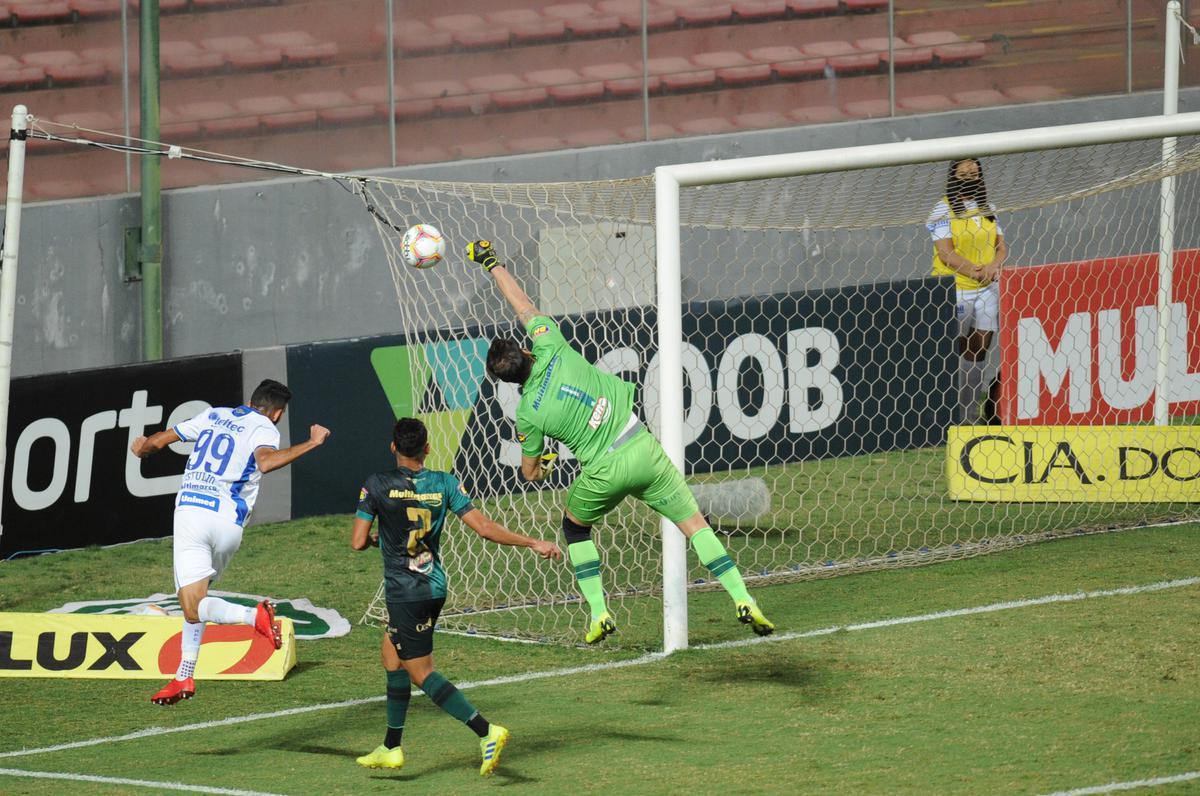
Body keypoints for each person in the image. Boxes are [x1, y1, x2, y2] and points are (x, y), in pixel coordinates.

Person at [466, 239, 775, 645]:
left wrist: (542, 460)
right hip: (642, 447)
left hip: (604, 471)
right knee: (695, 524)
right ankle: (743, 597)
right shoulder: (550, 343)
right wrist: (491, 263)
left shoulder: (527, 414)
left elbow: (529, 472)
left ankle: (599, 612)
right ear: (526, 349)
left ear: (509, 382)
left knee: (574, 528)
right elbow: (524, 306)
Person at [351, 417, 562, 777]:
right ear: (427, 449)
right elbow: (485, 528)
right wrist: (532, 541)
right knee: (391, 656)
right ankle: (391, 745)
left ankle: (486, 731)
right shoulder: (445, 483)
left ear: (393, 448)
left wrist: (380, 538)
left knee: (422, 673)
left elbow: (358, 542)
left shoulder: (376, 485)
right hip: (432, 585)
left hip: (406, 593)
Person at [131, 379, 330, 706]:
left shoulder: (212, 415)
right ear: (278, 412)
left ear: (252, 400)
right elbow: (265, 460)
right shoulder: (266, 427)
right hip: (230, 526)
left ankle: (255, 618)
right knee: (197, 601)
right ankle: (184, 673)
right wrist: (312, 442)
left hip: (193, 514)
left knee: (192, 604)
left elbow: (159, 441)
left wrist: (141, 448)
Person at [927, 157, 1007, 424]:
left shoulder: (988, 208)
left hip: (987, 288)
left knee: (980, 349)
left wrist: (994, 266)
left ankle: (970, 415)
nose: (970, 169)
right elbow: (946, 253)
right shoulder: (941, 209)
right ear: (954, 173)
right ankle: (947, 415)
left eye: (974, 166)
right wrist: (975, 270)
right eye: (964, 166)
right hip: (956, 289)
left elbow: (1001, 245)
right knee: (954, 351)